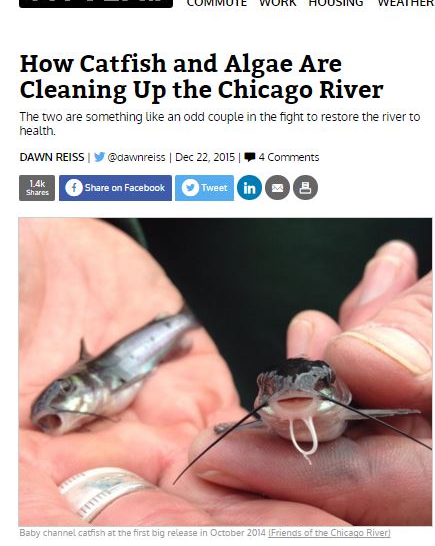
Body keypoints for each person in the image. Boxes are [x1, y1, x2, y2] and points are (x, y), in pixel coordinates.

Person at [20, 219, 432, 526]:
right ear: (261, 397)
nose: (290, 393)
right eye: (269, 391)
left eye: (319, 387)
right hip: (203, 311)